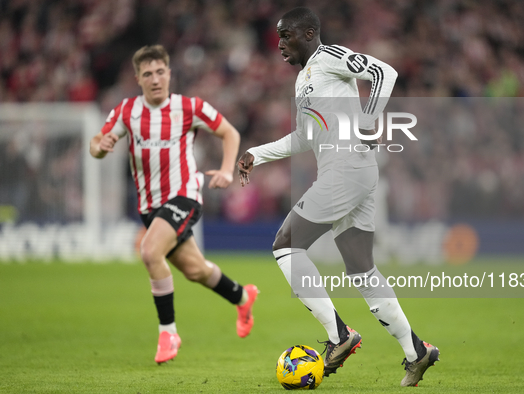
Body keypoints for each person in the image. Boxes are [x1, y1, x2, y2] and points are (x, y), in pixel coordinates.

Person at [237, 7, 438, 387]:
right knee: (362, 269)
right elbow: (303, 137)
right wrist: (257, 153)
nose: (279, 44)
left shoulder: (328, 57)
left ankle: (339, 336)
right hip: (353, 171)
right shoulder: (303, 81)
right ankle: (416, 352)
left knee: (285, 246)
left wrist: (367, 119)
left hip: (346, 168)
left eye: (287, 36)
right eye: (278, 37)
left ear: (310, 33)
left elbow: (383, 72)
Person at [90, 45, 258, 364]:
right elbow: (96, 144)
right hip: (149, 206)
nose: (155, 79)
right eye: (148, 74)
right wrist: (103, 144)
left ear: (169, 74)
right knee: (195, 270)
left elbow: (229, 132)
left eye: (160, 72)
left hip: (184, 195)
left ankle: (168, 332)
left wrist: (226, 170)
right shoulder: (127, 112)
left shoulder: (189, 108)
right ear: (138, 78)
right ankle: (242, 295)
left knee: (150, 251)